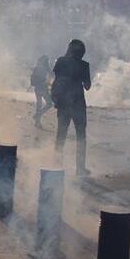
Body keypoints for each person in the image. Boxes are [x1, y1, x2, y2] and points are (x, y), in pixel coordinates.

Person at [51, 39, 91, 175]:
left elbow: (56, 78)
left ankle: (56, 165)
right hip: (78, 104)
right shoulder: (85, 65)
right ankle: (80, 168)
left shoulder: (61, 61)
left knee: (61, 135)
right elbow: (87, 86)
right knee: (81, 137)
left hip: (62, 103)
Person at [30, 55, 52, 128]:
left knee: (39, 104)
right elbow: (52, 75)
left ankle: (37, 122)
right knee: (49, 104)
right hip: (43, 88)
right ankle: (37, 116)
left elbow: (33, 77)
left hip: (37, 88)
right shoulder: (46, 68)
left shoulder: (37, 67)